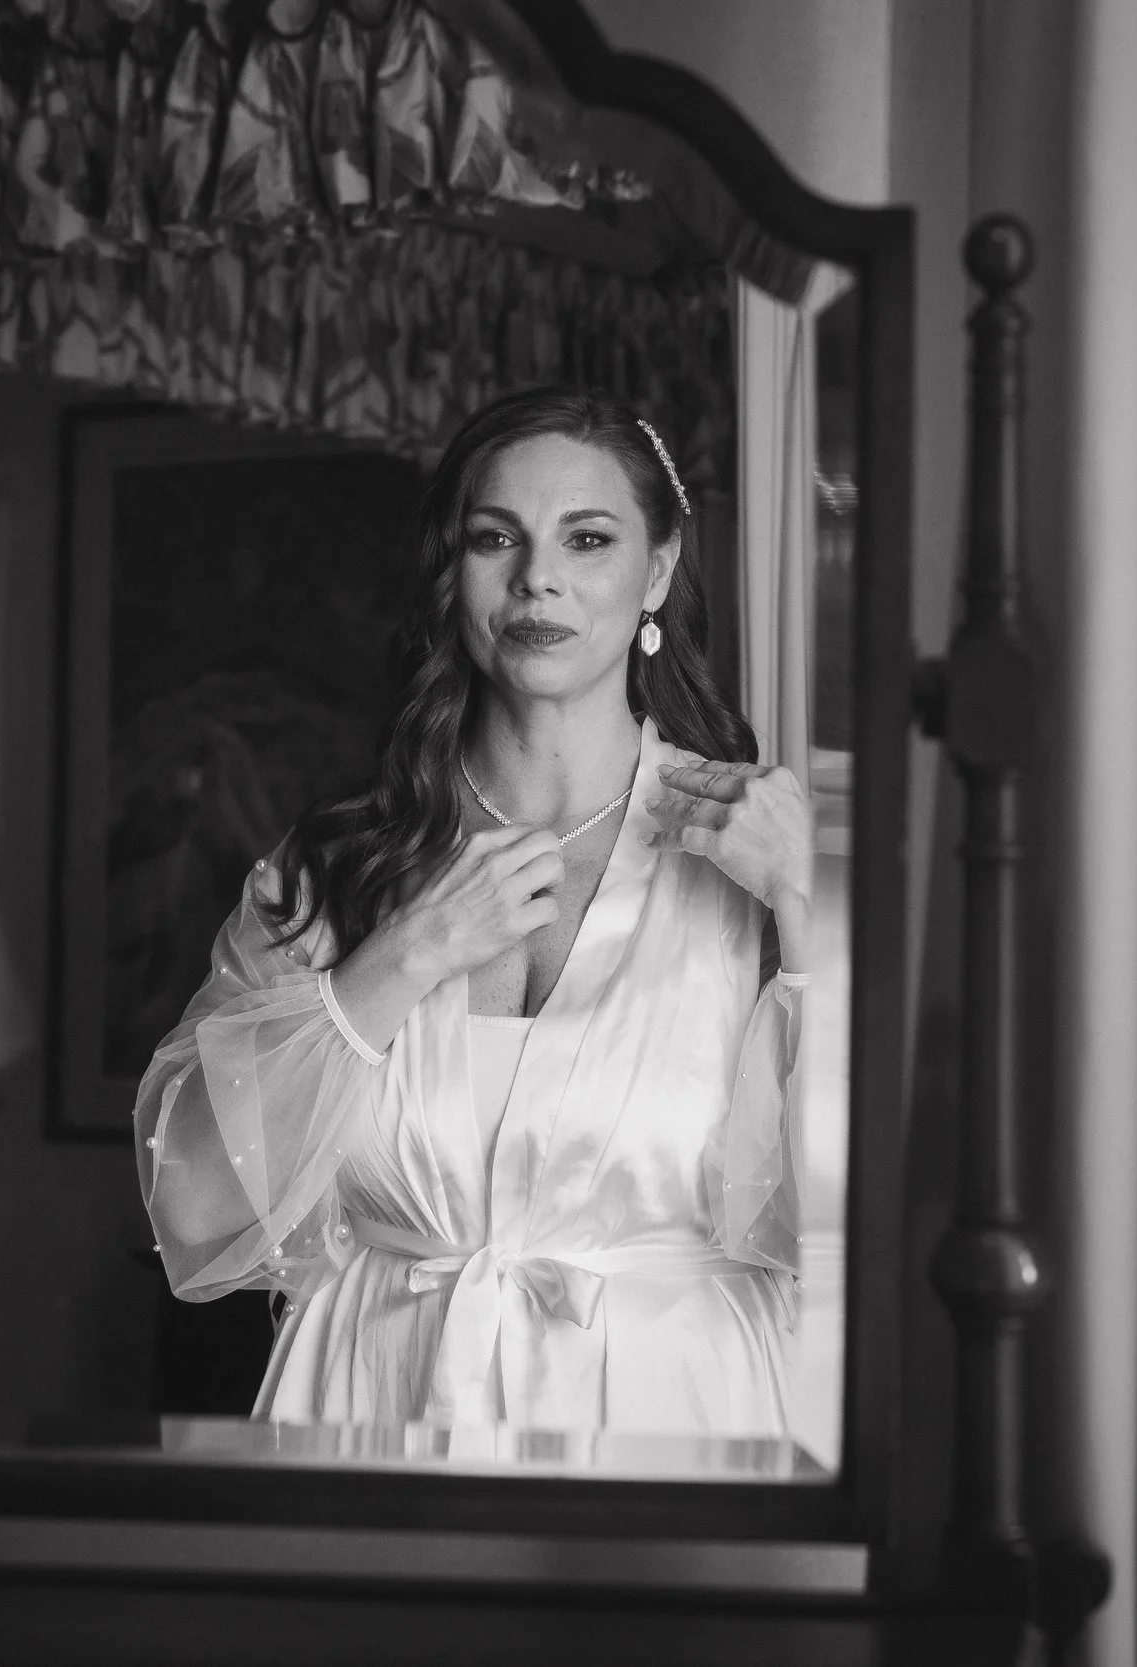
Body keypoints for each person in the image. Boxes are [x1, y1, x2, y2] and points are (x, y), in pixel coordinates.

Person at [135, 386, 813, 1438]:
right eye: (497, 537)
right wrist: (400, 958)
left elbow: (852, 1227)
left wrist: (806, 910)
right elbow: (195, 1204)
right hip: (372, 1409)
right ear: (453, 571)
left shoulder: (756, 857)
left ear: (658, 570)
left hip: (667, 1424)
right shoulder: (338, 870)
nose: (538, 575)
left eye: (588, 538)